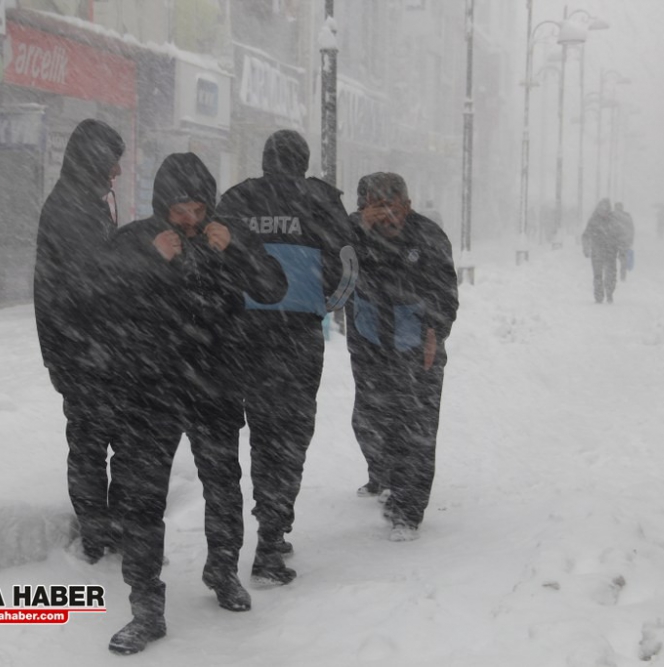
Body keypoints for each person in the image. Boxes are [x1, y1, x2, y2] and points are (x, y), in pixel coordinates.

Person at [104, 153, 287, 655]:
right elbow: (94, 295)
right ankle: (146, 605)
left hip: (216, 384)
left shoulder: (228, 236)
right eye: (180, 208)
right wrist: (148, 260)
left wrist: (240, 253)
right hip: (150, 388)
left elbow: (275, 287)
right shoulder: (136, 240)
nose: (189, 218)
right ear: (163, 205)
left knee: (223, 484)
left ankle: (222, 571)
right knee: (142, 498)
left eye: (197, 208)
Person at [216, 130, 357, 586]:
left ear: (264, 158)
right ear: (303, 160)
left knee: (261, 431)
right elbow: (348, 264)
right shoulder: (321, 200)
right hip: (297, 337)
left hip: (246, 335)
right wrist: (324, 303)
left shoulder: (237, 199)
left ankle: (264, 521)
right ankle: (272, 537)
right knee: (291, 434)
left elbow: (215, 260)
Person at [345, 173, 459, 542]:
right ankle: (389, 480)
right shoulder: (352, 233)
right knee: (374, 419)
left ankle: (409, 510)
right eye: (377, 207)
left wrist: (434, 333)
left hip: (417, 346)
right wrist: (360, 228)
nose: (388, 216)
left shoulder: (427, 236)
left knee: (418, 427)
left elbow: (445, 292)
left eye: (395, 207)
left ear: (408, 206)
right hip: (370, 343)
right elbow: (330, 260)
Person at [33, 119, 125, 564]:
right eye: (113, 164)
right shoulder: (72, 210)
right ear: (96, 162)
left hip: (88, 349)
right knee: (94, 443)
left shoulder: (82, 202)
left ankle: (104, 528)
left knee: (94, 441)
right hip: (87, 351)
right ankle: (99, 534)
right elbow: (88, 287)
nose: (118, 174)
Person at [581, 198, 623, 304]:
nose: (604, 211)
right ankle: (598, 296)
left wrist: (621, 249)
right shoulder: (593, 220)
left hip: (611, 252)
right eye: (602, 209)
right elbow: (586, 235)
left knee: (611, 274)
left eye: (606, 209)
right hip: (597, 252)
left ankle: (609, 292)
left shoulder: (614, 220)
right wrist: (586, 247)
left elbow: (619, 235)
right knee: (598, 275)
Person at [613, 202, 635, 281]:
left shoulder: (612, 215)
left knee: (617, 259)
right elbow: (631, 228)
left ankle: (620, 275)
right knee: (622, 259)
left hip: (617, 241)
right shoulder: (626, 216)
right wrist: (630, 240)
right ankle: (622, 276)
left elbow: (631, 228)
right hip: (621, 241)